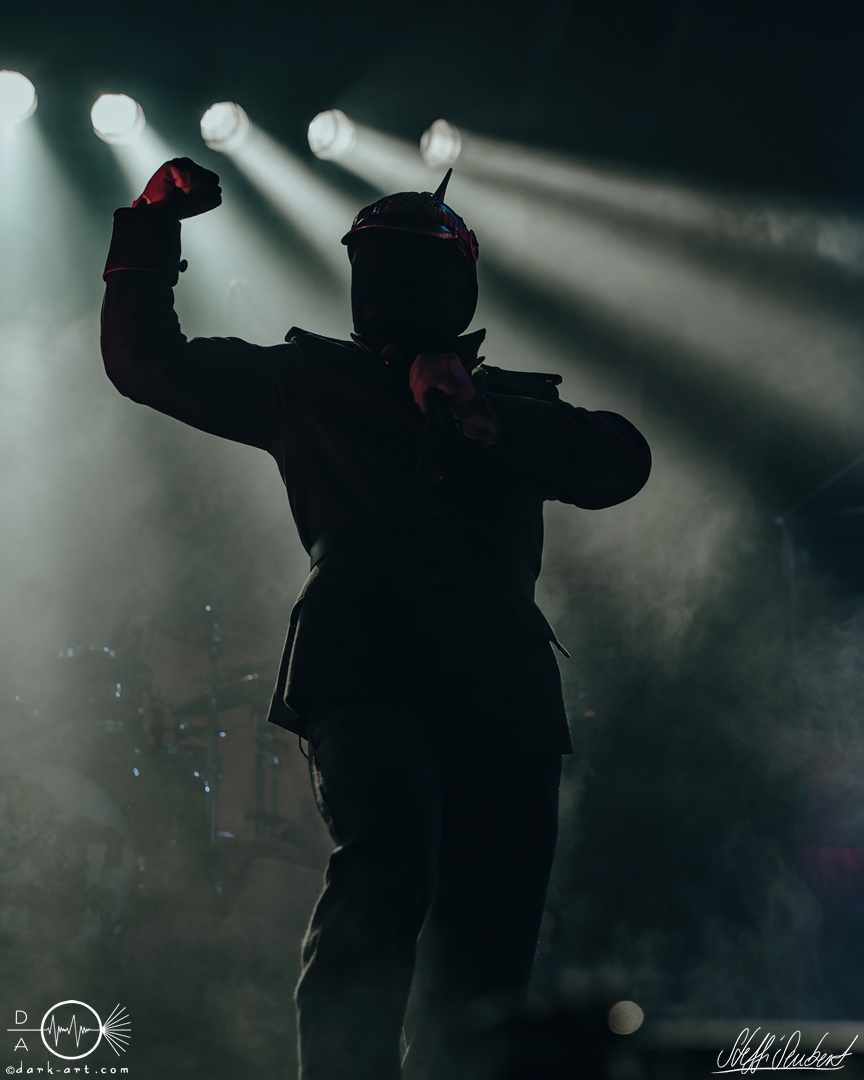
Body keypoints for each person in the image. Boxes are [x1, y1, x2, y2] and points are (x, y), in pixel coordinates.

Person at [100, 157, 652, 1080]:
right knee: (390, 853)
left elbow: (623, 463)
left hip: (502, 693)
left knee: (490, 928)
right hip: (365, 669)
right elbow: (146, 363)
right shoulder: (308, 383)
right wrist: (152, 226)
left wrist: (485, 416)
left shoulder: (518, 404)